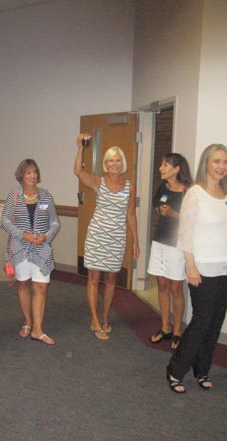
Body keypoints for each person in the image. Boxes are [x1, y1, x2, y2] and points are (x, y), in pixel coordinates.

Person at [165, 143, 227, 394]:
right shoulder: (195, 193)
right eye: (217, 161)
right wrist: (191, 267)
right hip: (203, 269)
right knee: (202, 321)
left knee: (216, 322)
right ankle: (175, 370)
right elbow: (185, 234)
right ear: (206, 163)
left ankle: (202, 369)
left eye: (226, 162)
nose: (221, 166)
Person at [74, 134, 139, 340]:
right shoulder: (98, 182)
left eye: (118, 160)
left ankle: (105, 317)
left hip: (117, 238)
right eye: (110, 160)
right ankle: (94, 319)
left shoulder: (129, 186)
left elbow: (131, 214)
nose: (114, 164)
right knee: (94, 278)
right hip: (97, 236)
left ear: (123, 163)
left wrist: (136, 242)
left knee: (111, 279)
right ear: (106, 164)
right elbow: (78, 171)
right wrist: (80, 147)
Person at [2, 159, 60, 345]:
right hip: (21, 249)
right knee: (23, 285)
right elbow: (5, 221)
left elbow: (55, 222)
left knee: (41, 287)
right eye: (28, 172)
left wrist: (46, 236)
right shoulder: (14, 195)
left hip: (42, 248)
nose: (32, 175)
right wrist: (23, 235)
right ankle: (28, 321)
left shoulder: (46, 196)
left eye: (34, 171)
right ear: (21, 175)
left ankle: (37, 329)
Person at [148, 153, 192, 349]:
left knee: (176, 288)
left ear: (177, 169)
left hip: (178, 245)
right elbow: (156, 208)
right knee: (162, 285)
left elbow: (194, 220)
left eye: (165, 165)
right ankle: (165, 327)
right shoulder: (163, 187)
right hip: (160, 241)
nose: (161, 168)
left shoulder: (189, 191)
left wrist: (174, 214)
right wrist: (161, 211)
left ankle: (177, 331)